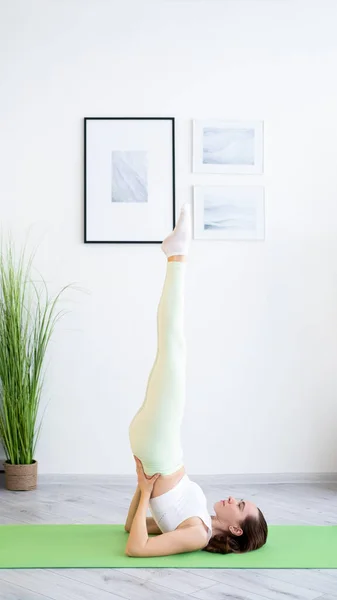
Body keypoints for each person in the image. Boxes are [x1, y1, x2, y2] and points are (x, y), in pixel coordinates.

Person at [125, 204, 268, 557]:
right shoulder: (198, 518)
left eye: (241, 505)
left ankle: (178, 254)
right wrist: (143, 488)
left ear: (236, 527)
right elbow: (133, 527)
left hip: (159, 449)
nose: (234, 498)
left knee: (173, 347)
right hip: (158, 446)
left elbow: (136, 547)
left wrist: (146, 490)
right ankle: (176, 254)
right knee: (170, 348)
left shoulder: (198, 534)